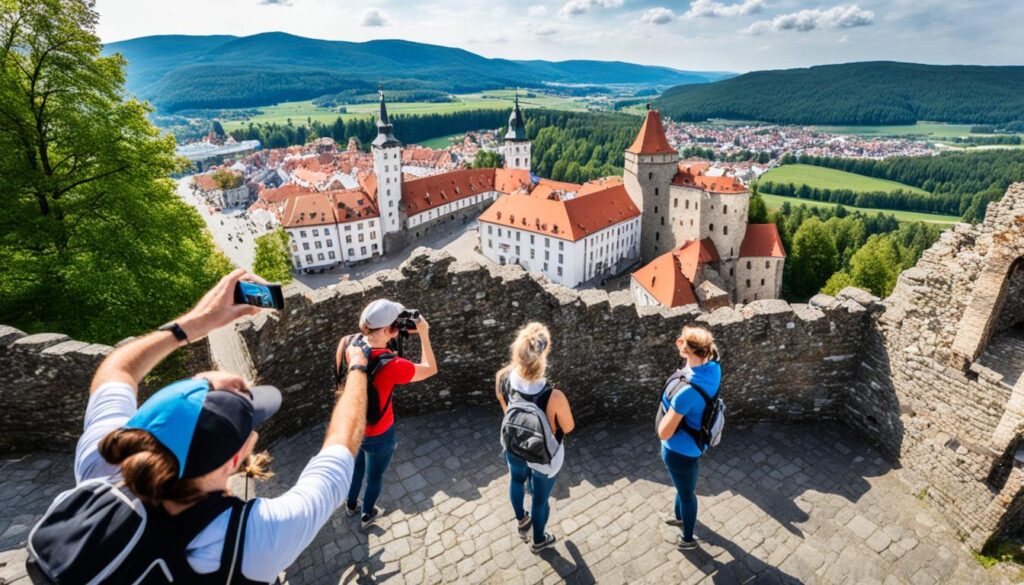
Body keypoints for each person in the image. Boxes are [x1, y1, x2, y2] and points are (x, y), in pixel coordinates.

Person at [35, 269, 372, 583]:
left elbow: (118, 371)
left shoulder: (104, 469)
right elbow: (341, 450)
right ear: (236, 459)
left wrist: (195, 324)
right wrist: (358, 367)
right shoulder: (252, 541)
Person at [336, 299, 438, 529]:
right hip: (379, 432)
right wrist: (423, 333)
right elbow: (430, 368)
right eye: (394, 326)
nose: (397, 329)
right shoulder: (393, 366)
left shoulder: (346, 343)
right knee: (374, 476)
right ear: (385, 330)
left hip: (353, 424)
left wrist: (389, 337)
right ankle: (367, 513)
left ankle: (351, 504)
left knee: (357, 466)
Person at [495, 322, 575, 553]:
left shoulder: (503, 377)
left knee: (516, 480)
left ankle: (521, 519)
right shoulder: (554, 396)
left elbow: (505, 408)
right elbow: (568, 427)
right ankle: (539, 540)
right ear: (545, 352)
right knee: (540, 501)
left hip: (514, 444)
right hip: (543, 455)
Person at [656, 325, 722, 551]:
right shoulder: (714, 369)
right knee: (683, 488)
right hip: (694, 443)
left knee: (687, 496)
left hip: (679, 452)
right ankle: (680, 517)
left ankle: (687, 539)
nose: (678, 342)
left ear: (686, 350)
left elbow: (663, 432)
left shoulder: (686, 393)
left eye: (681, 341)